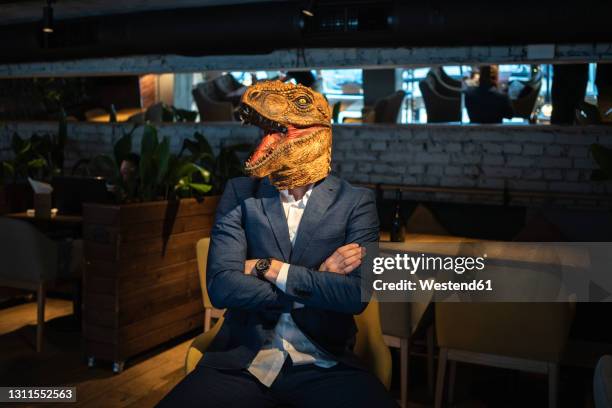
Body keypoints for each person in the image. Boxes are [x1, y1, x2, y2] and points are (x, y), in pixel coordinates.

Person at [158, 81, 397, 408]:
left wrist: (265, 267)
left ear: (321, 127)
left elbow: (356, 294)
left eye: (298, 102)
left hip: (324, 363)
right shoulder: (241, 193)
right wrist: (318, 276)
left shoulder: (356, 202)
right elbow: (222, 287)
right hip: (242, 361)